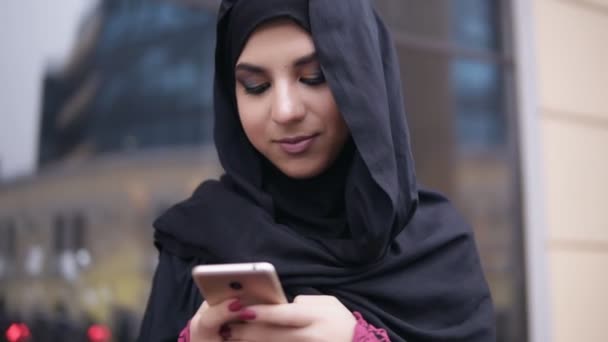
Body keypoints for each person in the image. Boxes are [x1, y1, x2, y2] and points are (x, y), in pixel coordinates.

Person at [137, 0, 496, 341]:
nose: (285, 110)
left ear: (363, 80)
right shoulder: (197, 240)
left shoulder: (441, 249)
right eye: (256, 86)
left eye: (314, 76)